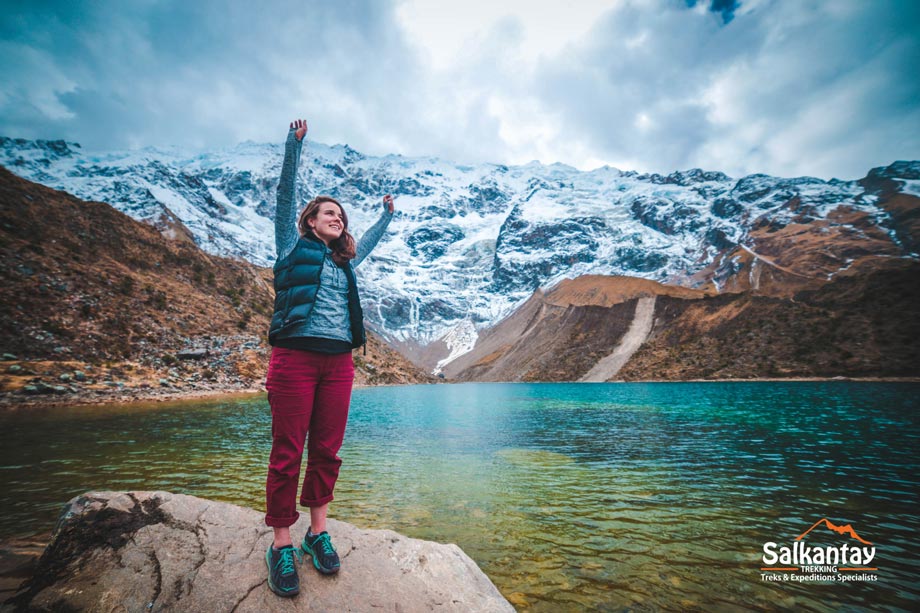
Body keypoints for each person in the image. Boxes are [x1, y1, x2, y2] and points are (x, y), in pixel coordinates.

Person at [264, 118, 394, 597]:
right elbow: (283, 195)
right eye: (328, 213)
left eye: (341, 215)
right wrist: (293, 148)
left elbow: (371, 244)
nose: (337, 218)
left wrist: (386, 217)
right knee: (287, 452)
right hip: (294, 359)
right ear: (310, 221)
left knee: (327, 452)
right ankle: (281, 542)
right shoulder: (289, 246)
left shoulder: (345, 261)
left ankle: (317, 532)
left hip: (338, 365)